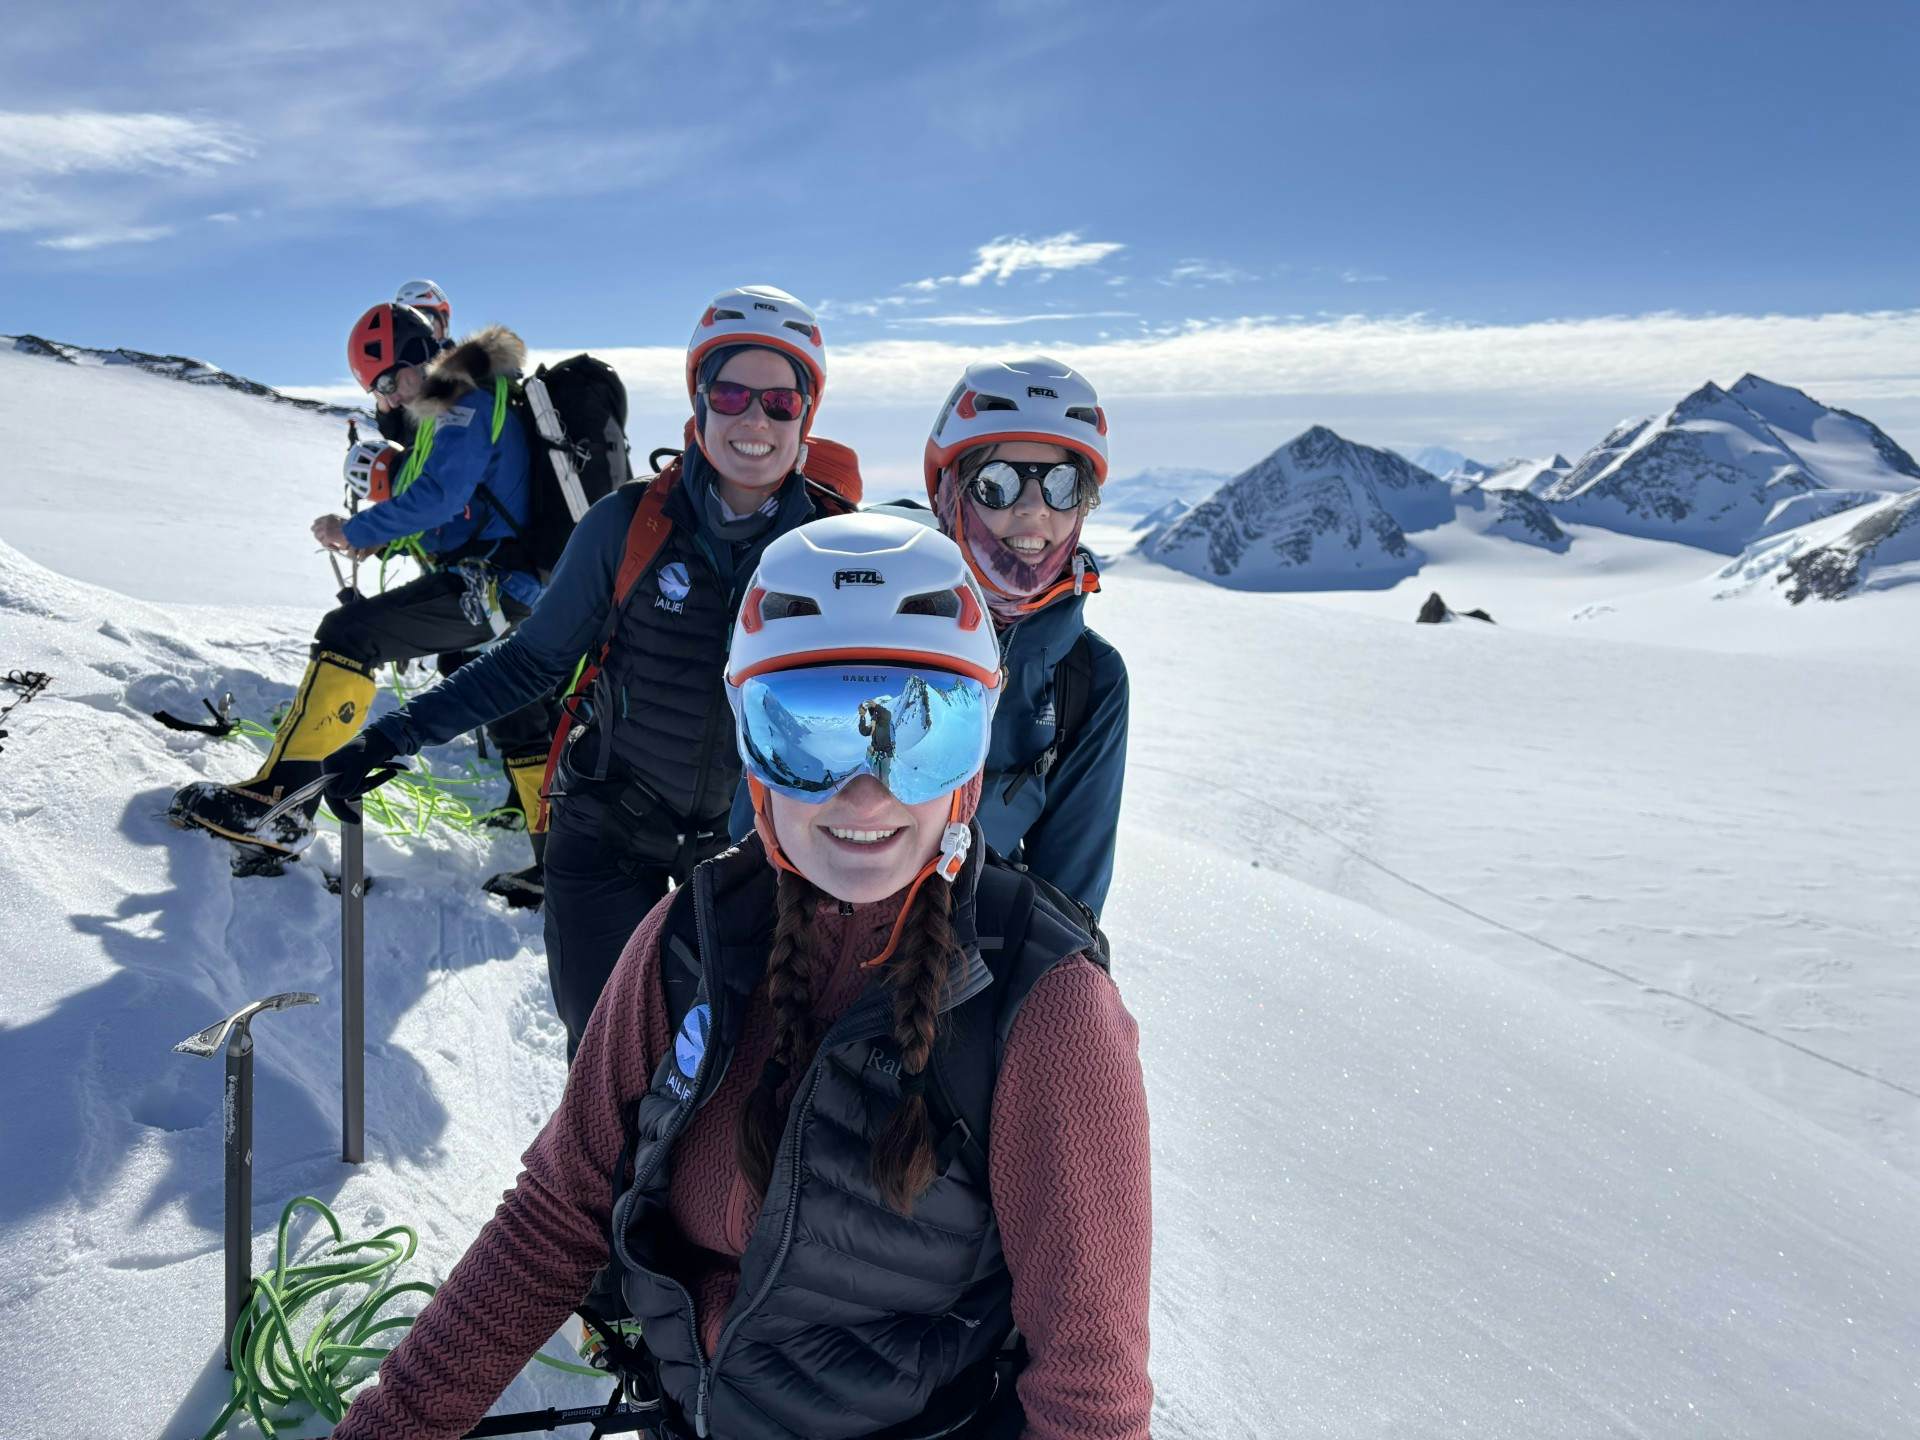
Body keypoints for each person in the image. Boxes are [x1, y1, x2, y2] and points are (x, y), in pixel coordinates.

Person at [328, 513, 1153, 1440]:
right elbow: (557, 1219)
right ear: (750, 752)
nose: (865, 795)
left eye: (918, 733)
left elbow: (1090, 1393)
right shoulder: (698, 933)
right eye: (805, 734)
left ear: (973, 759)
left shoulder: (1046, 1005)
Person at [321, 285, 859, 1055]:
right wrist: (397, 732)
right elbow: (532, 661)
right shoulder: (626, 524)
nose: (754, 419)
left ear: (807, 412)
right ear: (698, 397)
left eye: (780, 400)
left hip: (756, 850)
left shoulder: (831, 551)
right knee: (609, 1066)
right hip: (611, 833)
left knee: (748, 1077)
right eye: (731, 391)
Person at [168, 302, 550, 861]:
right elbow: (459, 515)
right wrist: (385, 539)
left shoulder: (465, 398)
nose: (387, 401)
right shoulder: (475, 398)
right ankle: (560, 864)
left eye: (387, 384)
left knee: (350, 633)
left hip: (493, 584)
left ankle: (281, 805)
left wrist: (354, 528)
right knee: (518, 711)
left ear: (415, 365)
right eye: (378, 392)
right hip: (514, 585)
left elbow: (437, 497)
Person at [917, 357, 1130, 918]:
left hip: (979, 968)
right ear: (949, 496)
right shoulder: (863, 621)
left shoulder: (1088, 676)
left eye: (1062, 484)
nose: (1034, 508)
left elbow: (1069, 903)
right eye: (998, 483)